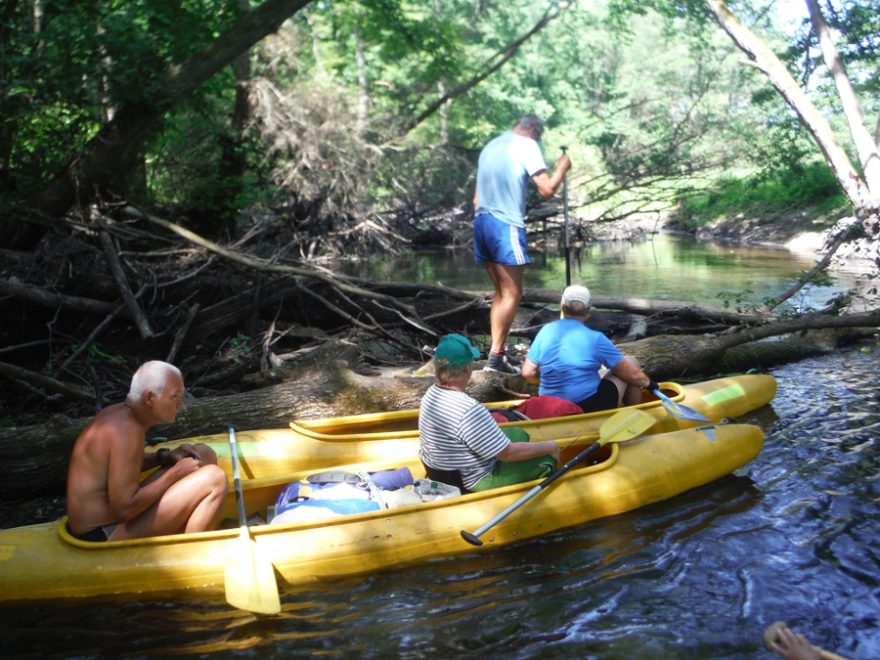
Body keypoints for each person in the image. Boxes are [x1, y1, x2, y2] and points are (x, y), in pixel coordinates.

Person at [66, 360, 228, 542]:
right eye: (174, 397)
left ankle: (184, 526)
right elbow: (124, 511)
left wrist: (164, 457)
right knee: (215, 479)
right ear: (150, 398)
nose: (180, 405)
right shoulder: (127, 432)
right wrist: (175, 473)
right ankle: (188, 554)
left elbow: (122, 465)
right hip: (102, 533)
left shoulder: (119, 415)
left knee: (203, 453)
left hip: (113, 519)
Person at [473, 113, 572, 375]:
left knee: (501, 293)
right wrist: (562, 167)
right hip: (504, 224)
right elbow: (546, 189)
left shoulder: (492, 145)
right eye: (539, 136)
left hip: (482, 220)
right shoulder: (527, 145)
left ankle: (497, 357)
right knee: (513, 293)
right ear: (534, 130)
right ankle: (495, 360)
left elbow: (476, 198)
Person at [418, 333, 560, 492]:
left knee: (517, 432)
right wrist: (551, 447)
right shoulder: (469, 409)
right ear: (467, 367)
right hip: (474, 482)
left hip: (445, 473)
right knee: (546, 458)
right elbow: (507, 454)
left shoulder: (430, 395)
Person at [521, 285, 658, 412]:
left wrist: (547, 383)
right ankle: (633, 416)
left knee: (602, 373)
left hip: (550, 404)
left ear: (562, 307)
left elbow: (527, 372)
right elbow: (632, 375)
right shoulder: (596, 339)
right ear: (589, 311)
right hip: (586, 406)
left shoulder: (546, 331)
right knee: (631, 362)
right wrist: (649, 383)